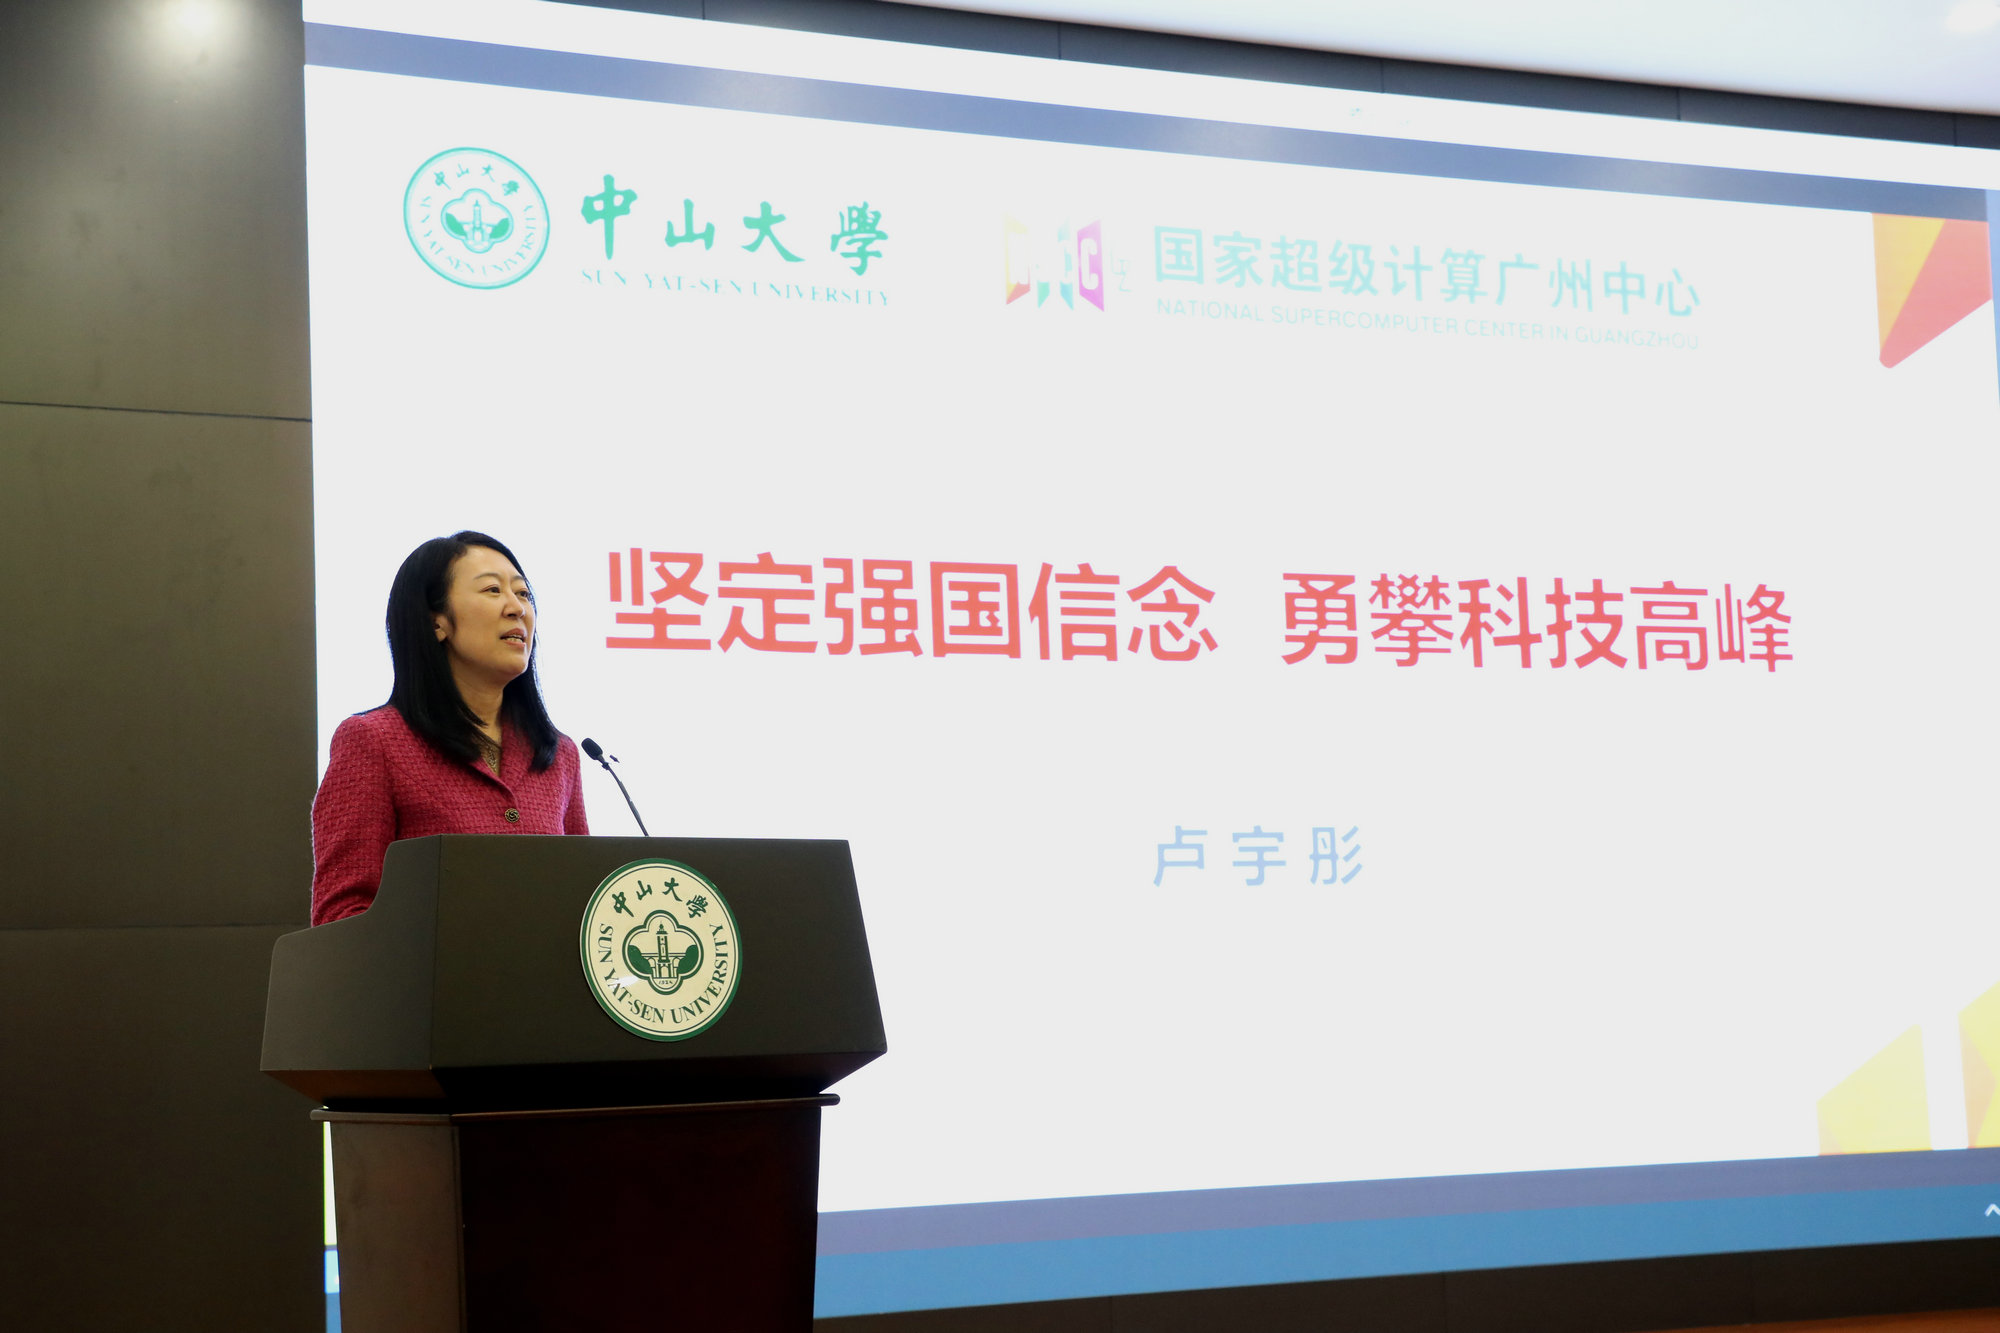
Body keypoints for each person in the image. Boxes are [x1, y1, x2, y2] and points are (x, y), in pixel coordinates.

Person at [310, 531, 588, 925]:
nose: (516, 608)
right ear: (436, 622)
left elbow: (584, 900)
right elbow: (341, 914)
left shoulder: (560, 754)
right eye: (493, 590)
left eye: (524, 594)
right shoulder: (374, 741)